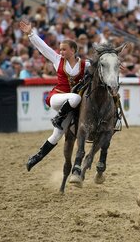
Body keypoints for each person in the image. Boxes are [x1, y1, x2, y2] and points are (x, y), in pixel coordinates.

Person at [19, 20, 90, 171]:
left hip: (71, 106)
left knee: (57, 135)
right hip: (58, 97)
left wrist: (115, 63)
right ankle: (58, 118)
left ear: (73, 50)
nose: (61, 52)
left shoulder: (85, 64)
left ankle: (36, 157)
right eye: (60, 50)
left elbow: (101, 64)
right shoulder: (57, 60)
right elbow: (43, 48)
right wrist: (31, 33)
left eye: (64, 50)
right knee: (76, 97)